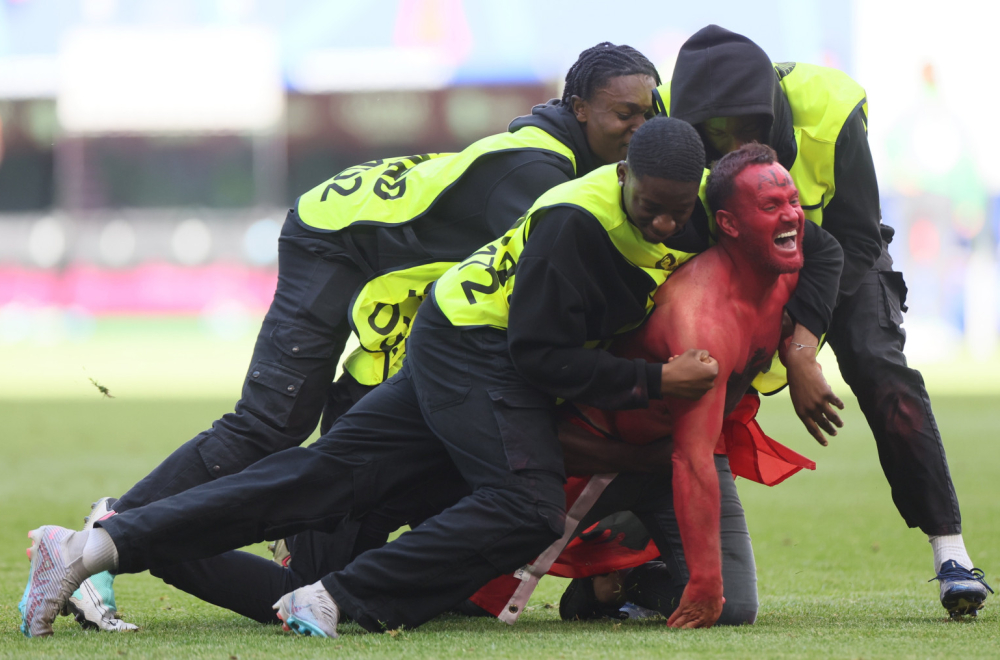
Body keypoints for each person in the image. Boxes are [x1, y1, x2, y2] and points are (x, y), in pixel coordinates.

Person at [20, 116, 723, 638]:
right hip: (475, 351)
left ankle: (92, 546)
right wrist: (656, 384)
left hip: (455, 341)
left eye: (679, 208)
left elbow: (798, 240)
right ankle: (331, 597)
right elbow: (541, 358)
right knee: (524, 507)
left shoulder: (677, 208)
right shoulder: (572, 218)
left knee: (323, 479)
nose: (664, 222)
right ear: (623, 171)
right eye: (650, 205)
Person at [656, 24, 992, 616]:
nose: (733, 144)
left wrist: (801, 344)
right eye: (715, 132)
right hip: (736, 258)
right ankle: (640, 564)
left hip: (839, 250)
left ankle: (951, 553)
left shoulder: (832, 107)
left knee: (877, 361)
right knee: (680, 380)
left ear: (775, 113)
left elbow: (856, 238)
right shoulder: (667, 113)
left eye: (748, 128)